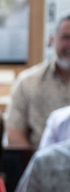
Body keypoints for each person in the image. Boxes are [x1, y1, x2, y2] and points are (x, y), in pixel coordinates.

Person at [5, 14, 70, 149]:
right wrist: (39, 165)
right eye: (66, 37)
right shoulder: (27, 83)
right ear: (52, 39)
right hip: (39, 165)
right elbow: (14, 133)